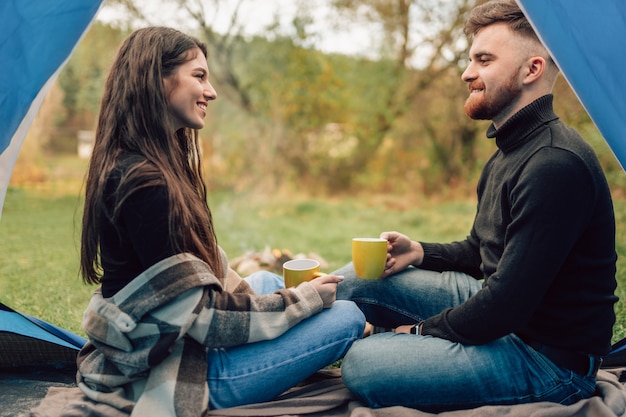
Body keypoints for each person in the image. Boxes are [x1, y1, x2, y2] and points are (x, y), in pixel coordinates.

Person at [335, 0, 618, 412]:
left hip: (546, 359)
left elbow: (503, 307)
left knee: (363, 364)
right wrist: (420, 252)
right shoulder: (510, 148)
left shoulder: (555, 164)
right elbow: (480, 249)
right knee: (355, 280)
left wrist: (416, 332)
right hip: (502, 312)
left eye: (483, 60)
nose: (467, 73)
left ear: (532, 70)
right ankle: (273, 340)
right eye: (470, 60)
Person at [77, 26, 365, 415]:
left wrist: (288, 301)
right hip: (168, 372)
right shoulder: (145, 184)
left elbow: (196, 284)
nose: (211, 91)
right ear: (156, 79)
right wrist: (304, 300)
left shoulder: (145, 163)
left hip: (163, 337)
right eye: (199, 76)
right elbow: (206, 320)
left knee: (263, 281)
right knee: (346, 316)